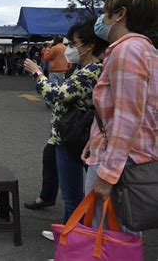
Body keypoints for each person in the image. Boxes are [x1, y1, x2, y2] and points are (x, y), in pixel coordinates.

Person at [83, 0, 158, 233]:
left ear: (120, 15)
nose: (101, 19)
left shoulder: (127, 51)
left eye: (105, 13)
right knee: (116, 237)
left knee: (107, 236)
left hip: (119, 163)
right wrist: (94, 141)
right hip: (126, 157)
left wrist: (108, 174)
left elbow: (127, 117)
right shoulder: (146, 50)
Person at [24, 17, 109, 227]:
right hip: (73, 134)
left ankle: (71, 241)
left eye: (73, 44)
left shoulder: (90, 71)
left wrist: (37, 73)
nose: (69, 48)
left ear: (90, 45)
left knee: (72, 196)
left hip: (72, 136)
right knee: (64, 177)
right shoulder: (86, 68)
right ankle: (68, 230)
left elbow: (57, 95)